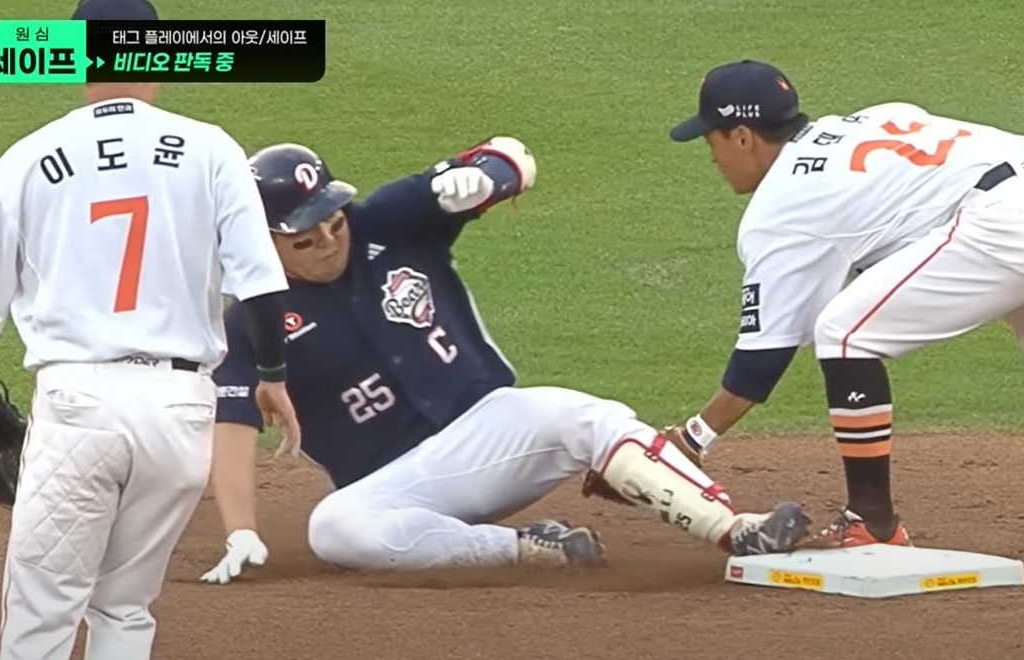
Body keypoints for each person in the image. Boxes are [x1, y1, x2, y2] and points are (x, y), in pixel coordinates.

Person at [660, 59, 1024, 548]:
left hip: (1009, 224)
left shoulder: (781, 205)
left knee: (845, 335)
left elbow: (761, 359)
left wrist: (694, 438)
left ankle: (871, 523)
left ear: (742, 136)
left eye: (711, 140)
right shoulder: (865, 121)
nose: (711, 157)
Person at [198, 137, 810, 584]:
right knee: (333, 527)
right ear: (263, 242)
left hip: (490, 433)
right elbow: (232, 430)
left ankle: (736, 529)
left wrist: (488, 177)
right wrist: (241, 530)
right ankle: (526, 549)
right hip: (394, 489)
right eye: (306, 239)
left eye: (334, 223)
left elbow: (512, 157)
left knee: (578, 415)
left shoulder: (390, 219)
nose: (330, 242)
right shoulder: (248, 322)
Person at [0, 1, 300, 660]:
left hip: (80, 406)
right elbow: (261, 285)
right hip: (181, 409)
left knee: (41, 616)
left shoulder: (29, 157)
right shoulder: (211, 149)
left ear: (77, 58)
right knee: (126, 609)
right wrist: (271, 373)